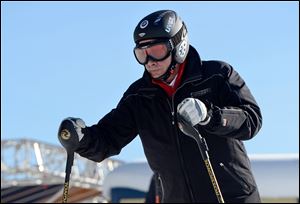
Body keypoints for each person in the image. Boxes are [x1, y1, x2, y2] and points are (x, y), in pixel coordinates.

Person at [58, 10, 262, 203]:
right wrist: (80, 138)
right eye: (141, 53)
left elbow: (251, 119)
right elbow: (107, 140)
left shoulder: (215, 75)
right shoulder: (140, 96)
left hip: (230, 197)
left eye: (156, 51)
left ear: (178, 46)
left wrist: (210, 116)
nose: (149, 61)